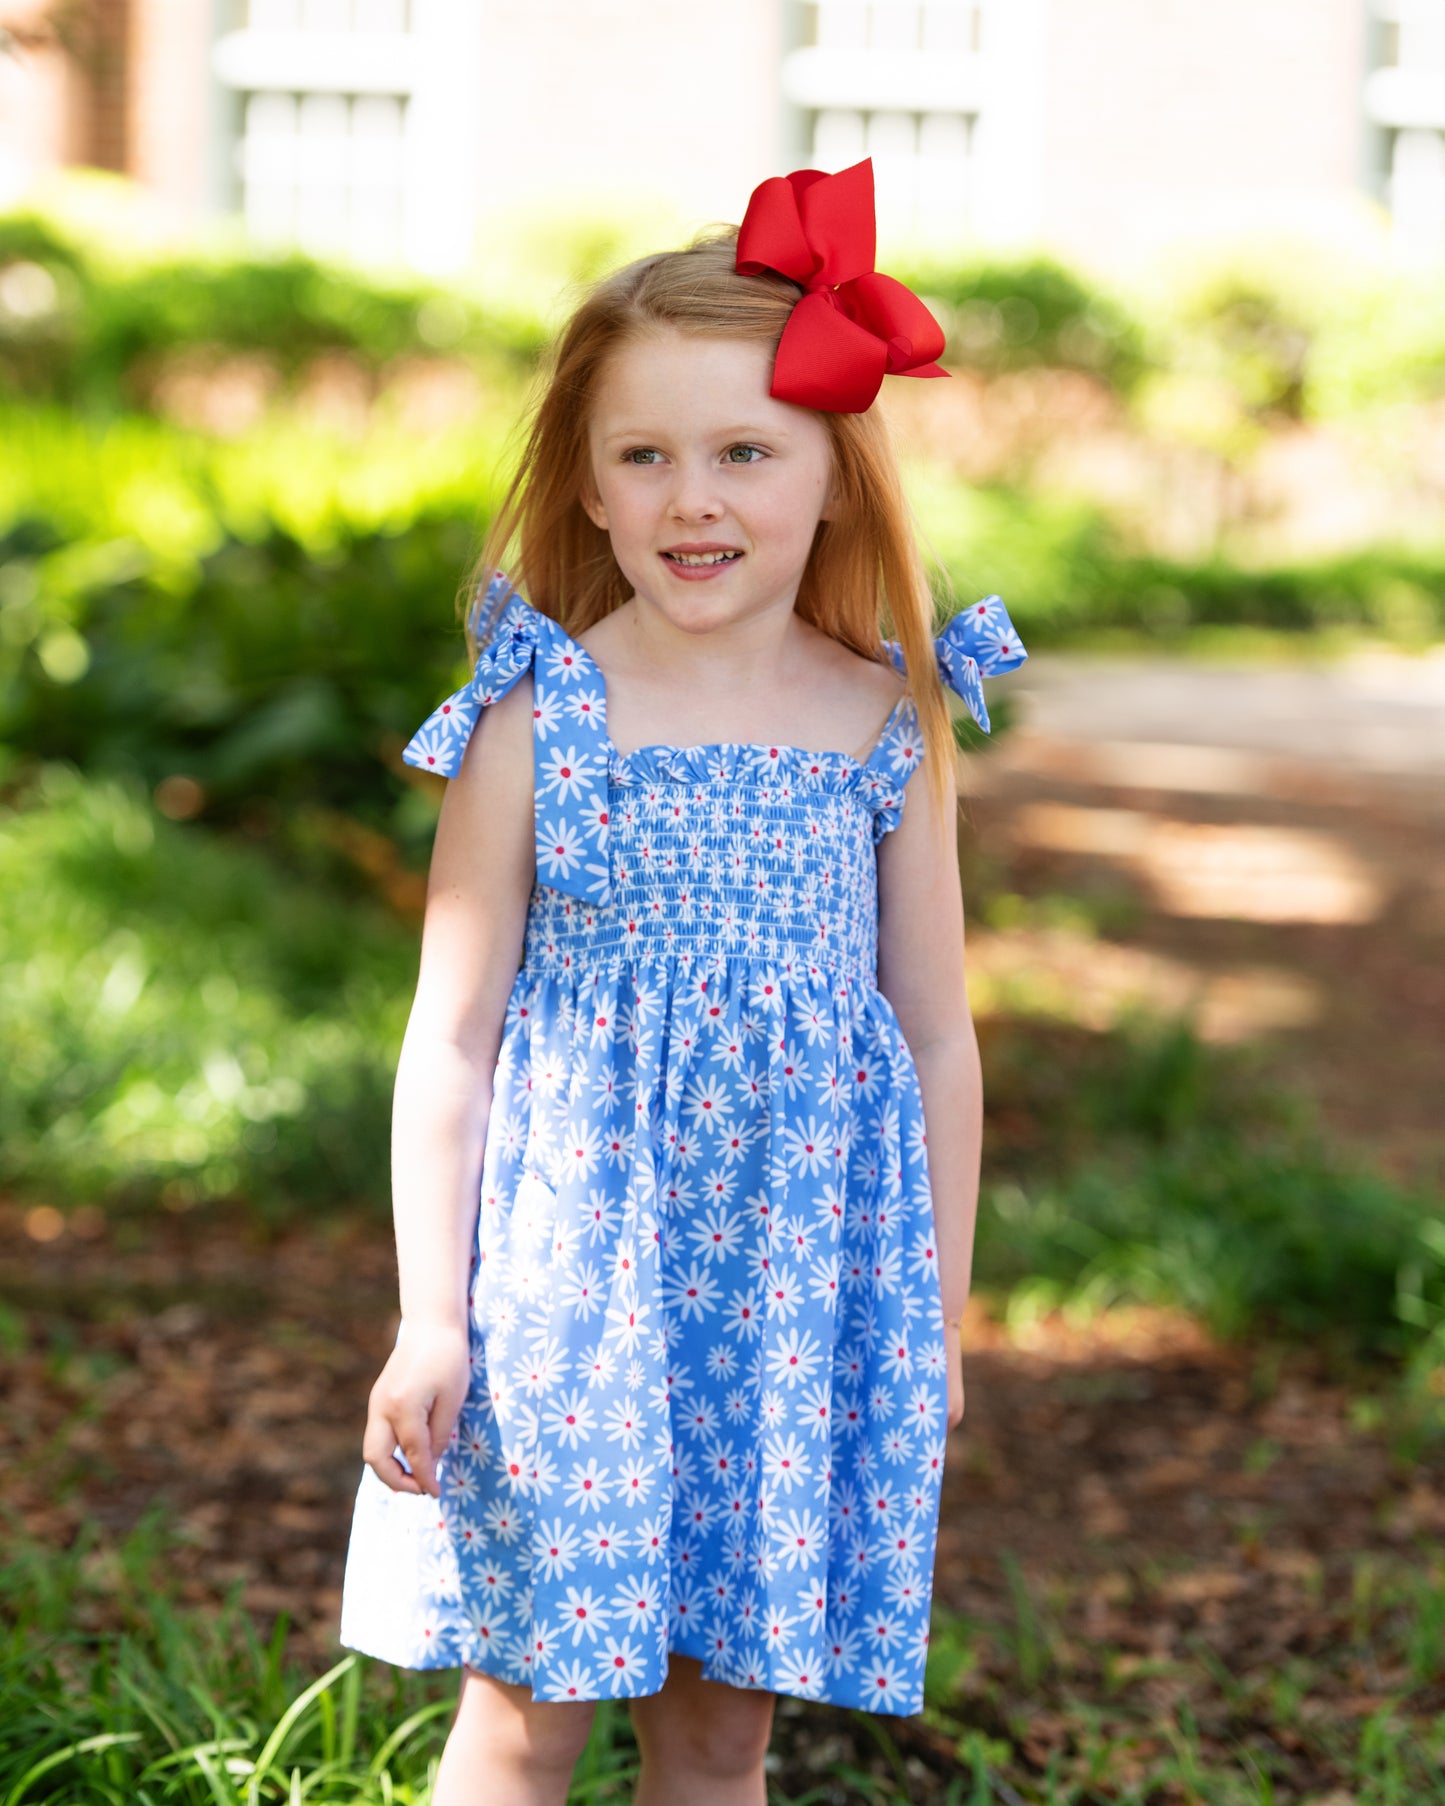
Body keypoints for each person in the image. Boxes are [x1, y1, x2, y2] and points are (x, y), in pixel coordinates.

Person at [338, 157, 1028, 1806]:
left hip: (796, 1304)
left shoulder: (888, 719)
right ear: (581, 485)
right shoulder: (534, 716)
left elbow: (935, 1029)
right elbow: (449, 1036)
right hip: (569, 1303)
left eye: (741, 452)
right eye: (642, 455)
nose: (690, 498)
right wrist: (436, 1313)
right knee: (524, 1713)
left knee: (721, 1728)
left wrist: (926, 1317)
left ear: (832, 477)